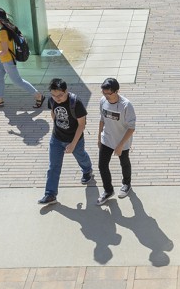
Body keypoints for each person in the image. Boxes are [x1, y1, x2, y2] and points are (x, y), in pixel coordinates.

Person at [38, 77, 93, 205]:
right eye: (54, 95)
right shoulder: (52, 100)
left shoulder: (76, 103)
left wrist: (73, 144)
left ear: (66, 91)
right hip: (57, 138)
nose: (57, 98)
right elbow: (53, 113)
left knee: (81, 157)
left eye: (60, 95)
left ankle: (87, 170)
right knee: (53, 166)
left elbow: (81, 125)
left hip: (75, 139)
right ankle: (50, 194)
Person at [0, 8, 43, 109]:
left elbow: (4, 50)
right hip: (2, 60)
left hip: (7, 60)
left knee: (18, 81)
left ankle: (38, 96)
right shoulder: (5, 28)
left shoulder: (3, 32)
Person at [96, 77, 136, 205]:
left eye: (109, 93)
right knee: (102, 165)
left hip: (122, 141)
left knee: (124, 163)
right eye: (104, 93)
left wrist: (120, 145)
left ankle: (126, 184)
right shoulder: (103, 101)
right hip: (107, 138)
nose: (106, 96)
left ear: (117, 91)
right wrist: (98, 137)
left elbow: (131, 128)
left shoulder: (126, 105)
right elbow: (102, 119)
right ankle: (108, 190)